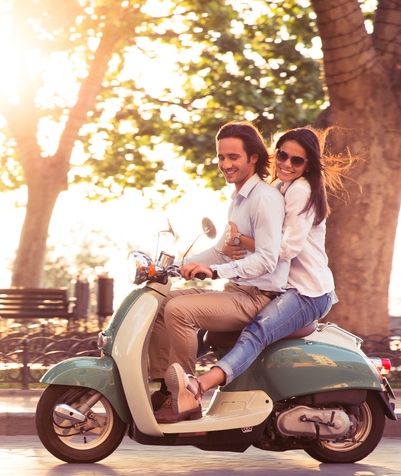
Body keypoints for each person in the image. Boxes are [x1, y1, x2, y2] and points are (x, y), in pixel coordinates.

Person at [162, 126, 351, 423]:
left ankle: (196, 387)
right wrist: (180, 264)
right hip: (285, 286)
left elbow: (281, 250)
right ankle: (165, 383)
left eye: (297, 160)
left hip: (307, 290)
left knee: (257, 332)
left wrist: (238, 244)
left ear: (308, 165)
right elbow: (230, 248)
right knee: (194, 326)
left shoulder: (299, 190)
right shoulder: (276, 188)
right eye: (283, 156)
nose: (286, 164)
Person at [148, 121, 287, 422]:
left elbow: (267, 259)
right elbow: (222, 250)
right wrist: (178, 266)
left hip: (258, 297)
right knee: (160, 302)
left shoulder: (264, 198)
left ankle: (187, 397)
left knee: (179, 311)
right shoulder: (239, 200)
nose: (225, 164)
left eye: (233, 157)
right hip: (237, 291)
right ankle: (164, 387)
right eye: (221, 157)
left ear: (253, 158)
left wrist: (214, 271)